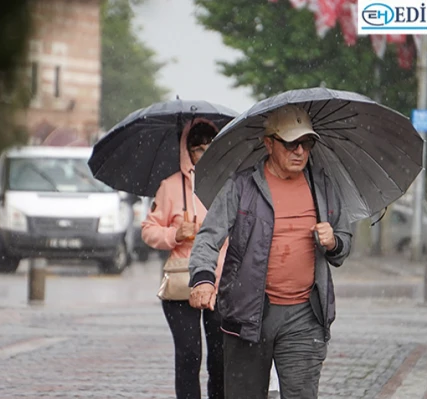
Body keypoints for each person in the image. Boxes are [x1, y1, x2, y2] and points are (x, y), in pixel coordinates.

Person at [188, 105, 353, 399]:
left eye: (307, 143)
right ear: (269, 143)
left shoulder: (323, 186)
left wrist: (333, 242)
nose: (300, 151)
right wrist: (202, 278)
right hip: (248, 313)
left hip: (305, 314)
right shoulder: (241, 186)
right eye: (291, 143)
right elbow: (208, 238)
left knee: (301, 394)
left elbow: (342, 244)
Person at [142, 119, 227, 399]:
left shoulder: (228, 183)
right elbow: (149, 230)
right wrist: (175, 234)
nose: (203, 153)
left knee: (220, 358)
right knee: (190, 354)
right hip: (181, 281)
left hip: (222, 280)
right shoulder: (170, 186)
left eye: (210, 147)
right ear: (186, 151)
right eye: (197, 148)